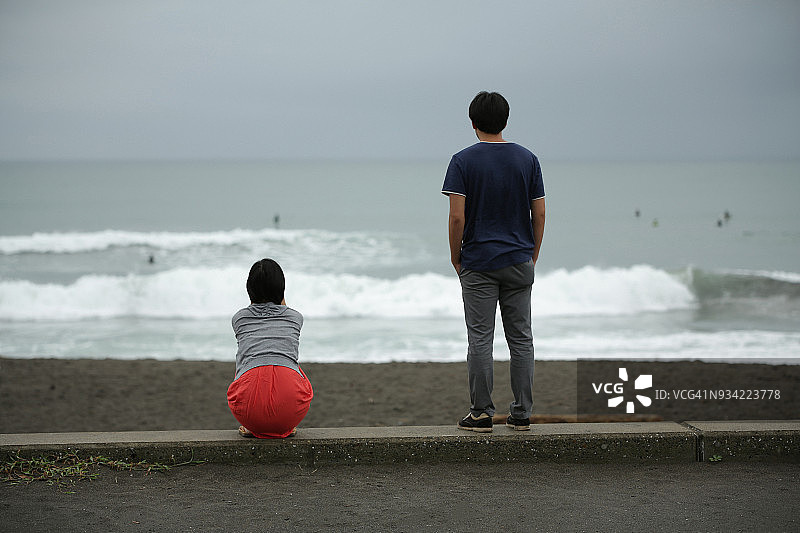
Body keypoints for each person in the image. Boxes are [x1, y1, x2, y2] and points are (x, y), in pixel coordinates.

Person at [442, 91, 545, 433]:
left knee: (481, 340)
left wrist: (455, 255)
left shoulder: (461, 161)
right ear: (506, 121)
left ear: (472, 123)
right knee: (521, 339)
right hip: (518, 259)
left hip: (479, 262)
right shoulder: (528, 159)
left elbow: (457, 217)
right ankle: (521, 413)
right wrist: (533, 253)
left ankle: (482, 412)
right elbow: (539, 212)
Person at [227, 258, 313, 438]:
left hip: (248, 413)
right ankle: (284, 427)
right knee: (289, 363)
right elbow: (281, 310)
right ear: (282, 289)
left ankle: (252, 426)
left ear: (249, 290)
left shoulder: (239, 319)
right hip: (291, 412)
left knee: (246, 362)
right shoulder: (295, 318)